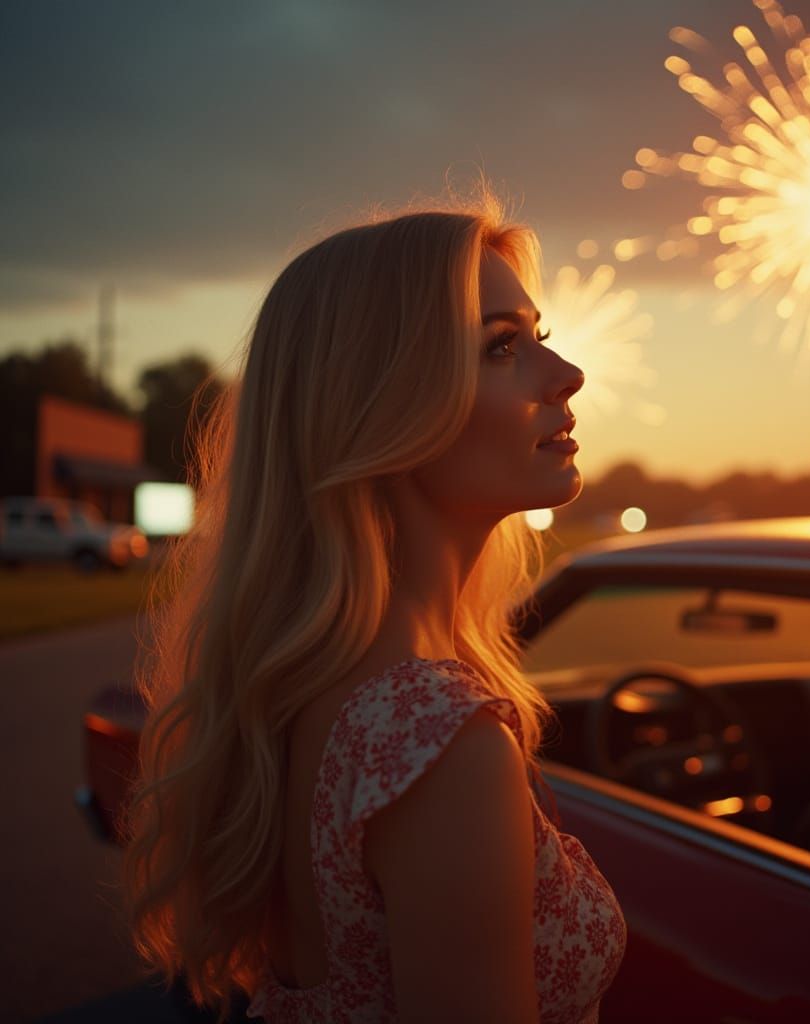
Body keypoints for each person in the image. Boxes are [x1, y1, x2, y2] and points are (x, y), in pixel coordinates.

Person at [124, 188, 627, 1023]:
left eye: (538, 336)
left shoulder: (304, 685)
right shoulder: (440, 740)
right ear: (382, 408)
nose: (567, 375)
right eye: (502, 348)